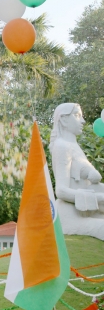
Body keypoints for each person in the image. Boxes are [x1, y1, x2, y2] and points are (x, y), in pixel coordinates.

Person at [50, 103, 104, 240]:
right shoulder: (61, 146)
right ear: (63, 119)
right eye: (77, 115)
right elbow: (61, 191)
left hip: (88, 211)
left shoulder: (74, 146)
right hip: (72, 215)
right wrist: (99, 197)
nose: (83, 121)